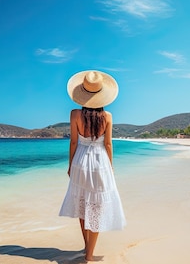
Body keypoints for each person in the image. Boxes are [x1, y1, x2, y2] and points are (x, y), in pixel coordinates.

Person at [59, 70, 126, 261]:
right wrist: (111, 167)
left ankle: (86, 247)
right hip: (99, 162)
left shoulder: (74, 114)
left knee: (82, 204)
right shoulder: (107, 116)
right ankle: (89, 254)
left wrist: (71, 165)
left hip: (80, 160)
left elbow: (73, 142)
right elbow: (108, 144)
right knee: (95, 207)